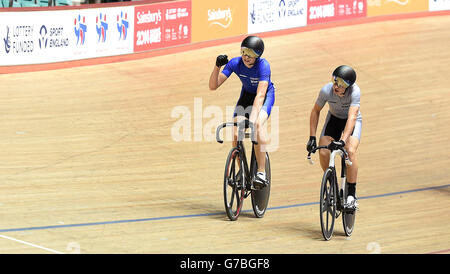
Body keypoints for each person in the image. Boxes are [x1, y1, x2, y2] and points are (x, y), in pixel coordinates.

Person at [209, 35, 275, 189]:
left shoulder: (263, 66)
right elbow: (213, 85)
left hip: (265, 96)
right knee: (235, 131)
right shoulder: (235, 63)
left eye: (250, 54)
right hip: (246, 96)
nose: (246, 56)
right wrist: (217, 66)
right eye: (244, 52)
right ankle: (242, 171)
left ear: (257, 56)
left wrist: (251, 122)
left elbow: (259, 96)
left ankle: (261, 172)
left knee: (257, 126)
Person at [307, 65, 362, 209]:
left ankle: (351, 194)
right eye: (334, 81)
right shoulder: (326, 90)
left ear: (348, 86)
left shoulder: (355, 92)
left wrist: (343, 140)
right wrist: (312, 137)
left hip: (351, 122)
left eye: (340, 84)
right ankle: (332, 186)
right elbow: (315, 111)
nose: (336, 86)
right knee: (324, 151)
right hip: (334, 120)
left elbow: (351, 118)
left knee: (349, 151)